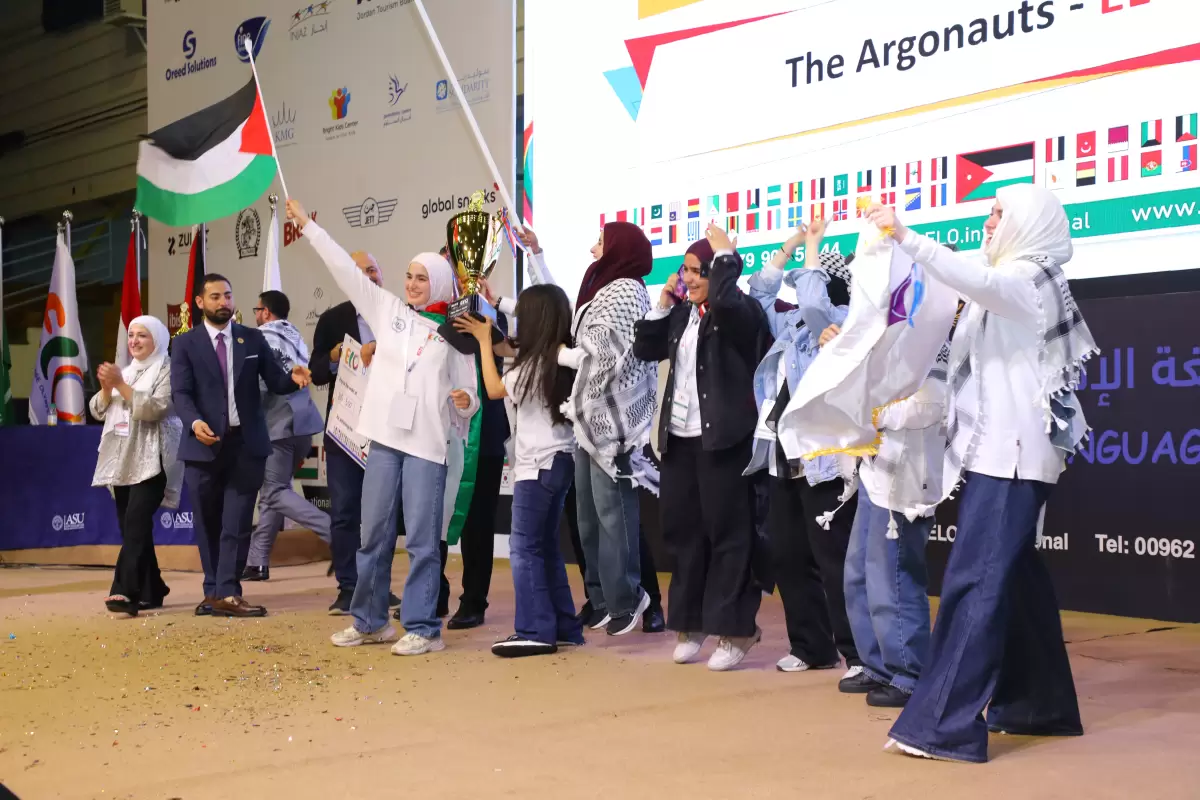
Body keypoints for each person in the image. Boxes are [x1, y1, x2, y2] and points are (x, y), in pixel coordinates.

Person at [867, 184, 1093, 763]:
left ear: (1028, 222)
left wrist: (906, 235)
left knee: (977, 581)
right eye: (989, 212)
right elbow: (965, 285)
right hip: (1001, 455)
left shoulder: (1032, 279)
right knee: (1013, 579)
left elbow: (976, 279)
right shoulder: (1007, 282)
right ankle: (1039, 705)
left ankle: (943, 725)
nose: (988, 222)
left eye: (998, 213)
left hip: (1012, 458)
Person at [286, 199, 479, 657]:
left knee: (421, 540)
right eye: (409, 275)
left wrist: (465, 400)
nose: (412, 284)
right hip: (384, 441)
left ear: (440, 283)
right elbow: (343, 269)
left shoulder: (455, 332)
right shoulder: (386, 310)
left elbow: (470, 391)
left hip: (427, 445)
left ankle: (424, 628)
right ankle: (371, 622)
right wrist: (309, 228)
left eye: (422, 278)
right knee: (372, 533)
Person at [502, 227, 665, 633]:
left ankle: (632, 598)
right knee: (589, 517)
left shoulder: (626, 291)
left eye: (600, 242)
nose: (593, 248)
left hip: (615, 421)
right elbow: (562, 319)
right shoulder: (600, 289)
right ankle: (603, 598)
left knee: (614, 513)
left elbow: (604, 352)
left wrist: (563, 354)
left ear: (619, 250)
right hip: (586, 419)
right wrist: (530, 263)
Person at [632, 227, 771, 671]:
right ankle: (691, 623)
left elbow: (730, 306)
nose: (688, 278)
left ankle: (737, 629)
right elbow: (644, 347)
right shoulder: (682, 314)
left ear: (720, 274)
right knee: (683, 533)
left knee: (729, 536)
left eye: (698, 271)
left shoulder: (739, 310)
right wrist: (663, 303)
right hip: (679, 440)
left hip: (724, 440)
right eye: (685, 270)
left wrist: (727, 254)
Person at [745, 221, 863, 681]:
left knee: (834, 560)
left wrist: (813, 245)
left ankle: (858, 654)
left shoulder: (843, 321)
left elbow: (815, 304)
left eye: (810, 280)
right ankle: (812, 646)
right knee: (789, 556)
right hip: (782, 456)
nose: (799, 294)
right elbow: (758, 296)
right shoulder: (793, 323)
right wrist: (790, 245)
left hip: (826, 460)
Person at [454, 284, 585, 656]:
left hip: (537, 467)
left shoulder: (534, 364)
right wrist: (490, 311)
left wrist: (483, 341)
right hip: (559, 462)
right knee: (544, 548)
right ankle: (563, 626)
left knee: (524, 548)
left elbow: (494, 389)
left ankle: (534, 629)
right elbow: (508, 347)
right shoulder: (554, 356)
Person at [171, 274, 312, 618]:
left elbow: (276, 380)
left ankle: (229, 592)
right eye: (215, 296)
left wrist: (293, 378)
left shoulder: (251, 338)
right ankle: (213, 591)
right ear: (200, 302)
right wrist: (194, 422)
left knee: (236, 522)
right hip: (202, 447)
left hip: (246, 445)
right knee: (207, 523)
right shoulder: (185, 344)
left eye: (228, 295)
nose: (224, 302)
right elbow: (181, 393)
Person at [839, 337, 949, 708]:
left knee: (894, 578)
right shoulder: (880, 335)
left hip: (905, 482)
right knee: (859, 575)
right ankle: (877, 666)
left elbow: (933, 402)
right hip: (873, 473)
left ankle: (909, 674)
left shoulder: (930, 334)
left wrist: (872, 415)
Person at [308, 251, 402, 615]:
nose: (369, 276)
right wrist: (334, 357)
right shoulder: (333, 320)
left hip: (389, 429)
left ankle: (378, 584)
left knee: (383, 514)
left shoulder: (399, 314)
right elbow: (316, 371)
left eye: (373, 270)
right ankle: (348, 586)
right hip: (345, 431)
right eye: (360, 271)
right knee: (345, 511)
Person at [90, 316, 183, 616]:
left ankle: (125, 591)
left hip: (154, 459)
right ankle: (153, 587)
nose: (134, 341)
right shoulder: (128, 370)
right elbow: (97, 409)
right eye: (131, 335)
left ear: (157, 339)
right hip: (123, 459)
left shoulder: (168, 369)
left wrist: (119, 384)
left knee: (135, 522)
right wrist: (107, 388)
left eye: (142, 335)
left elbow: (155, 408)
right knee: (132, 527)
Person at [438, 246, 508, 631]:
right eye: (450, 270)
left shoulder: (490, 316)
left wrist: (489, 311)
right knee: (432, 514)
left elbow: (506, 348)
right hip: (436, 431)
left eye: (463, 270)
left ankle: (474, 600)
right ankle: (432, 592)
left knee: (478, 519)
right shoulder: (425, 319)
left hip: (485, 431)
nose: (458, 278)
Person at [243, 290, 332, 581]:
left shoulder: (259, 338)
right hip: (303, 424)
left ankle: (337, 534)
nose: (256, 315)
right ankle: (257, 562)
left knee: (273, 492)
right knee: (275, 491)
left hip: (276, 423)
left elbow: (259, 386)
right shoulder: (295, 335)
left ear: (266, 312)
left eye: (257, 309)